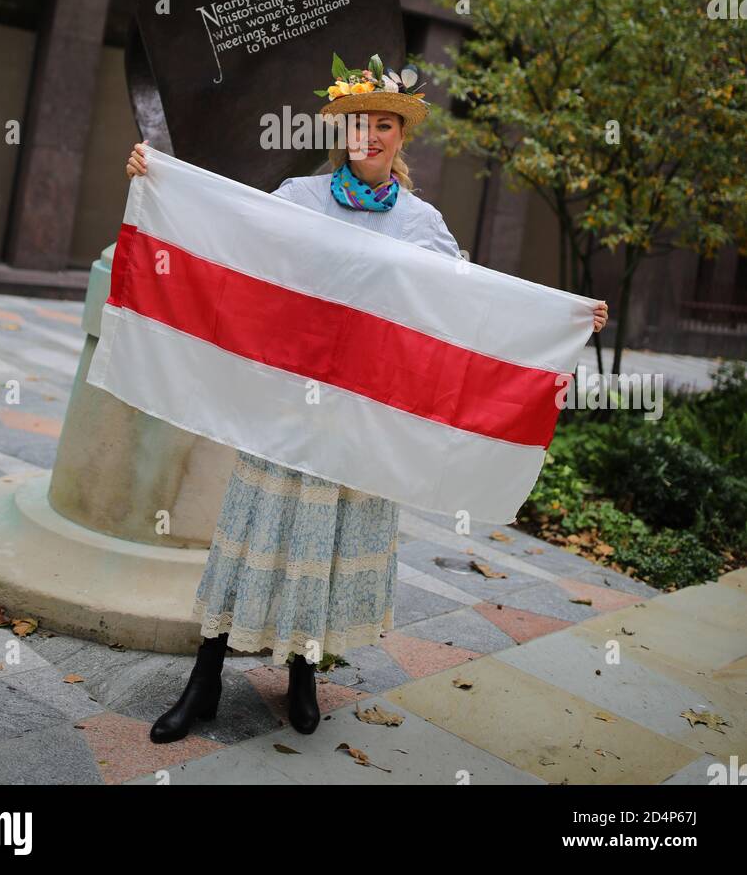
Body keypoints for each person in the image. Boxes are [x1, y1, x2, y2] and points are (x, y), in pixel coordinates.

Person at [124, 51, 609, 742]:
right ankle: (204, 678)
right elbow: (229, 239)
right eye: (359, 124)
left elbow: (473, 307)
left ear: (400, 137)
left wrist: (561, 319)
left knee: (322, 551)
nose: (370, 136)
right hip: (290, 412)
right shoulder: (298, 200)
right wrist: (159, 182)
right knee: (253, 539)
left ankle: (302, 675)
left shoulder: (420, 226)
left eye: (385, 125)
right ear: (342, 133)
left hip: (364, 427)